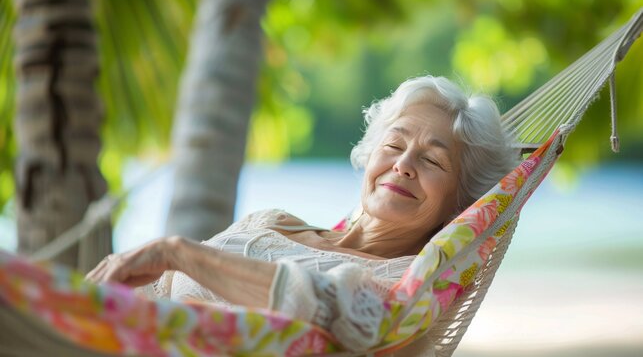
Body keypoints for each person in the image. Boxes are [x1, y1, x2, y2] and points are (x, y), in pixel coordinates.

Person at [86, 75, 519, 354]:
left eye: (433, 161)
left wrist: (181, 253)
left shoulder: (407, 281)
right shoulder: (271, 221)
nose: (403, 164)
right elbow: (155, 289)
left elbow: (332, 308)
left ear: (460, 202)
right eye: (393, 145)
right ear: (370, 156)